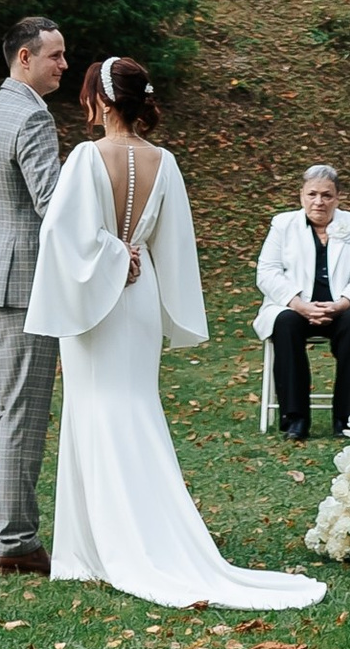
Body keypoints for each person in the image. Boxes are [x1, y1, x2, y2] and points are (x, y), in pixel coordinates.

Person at [23, 53, 325, 610]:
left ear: (101, 100)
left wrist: (110, 256)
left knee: (97, 412)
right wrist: (132, 260)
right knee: (132, 408)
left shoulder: (86, 157)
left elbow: (62, 238)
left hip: (100, 301)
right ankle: (103, 546)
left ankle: (99, 550)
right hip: (136, 299)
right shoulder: (165, 161)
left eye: (88, 92)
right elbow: (174, 243)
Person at [0, 15, 67, 578]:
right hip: (26, 281)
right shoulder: (31, 116)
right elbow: (52, 205)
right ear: (24, 58)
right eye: (54, 55)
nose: (63, 65)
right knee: (22, 412)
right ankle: (17, 542)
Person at [254, 164, 350, 439]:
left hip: (342, 308)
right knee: (285, 322)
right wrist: (298, 304)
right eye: (312, 194)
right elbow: (267, 271)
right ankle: (295, 418)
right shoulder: (283, 224)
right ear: (301, 195)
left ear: (337, 197)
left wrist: (342, 304)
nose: (318, 201)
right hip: (295, 307)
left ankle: (346, 418)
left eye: (326, 195)